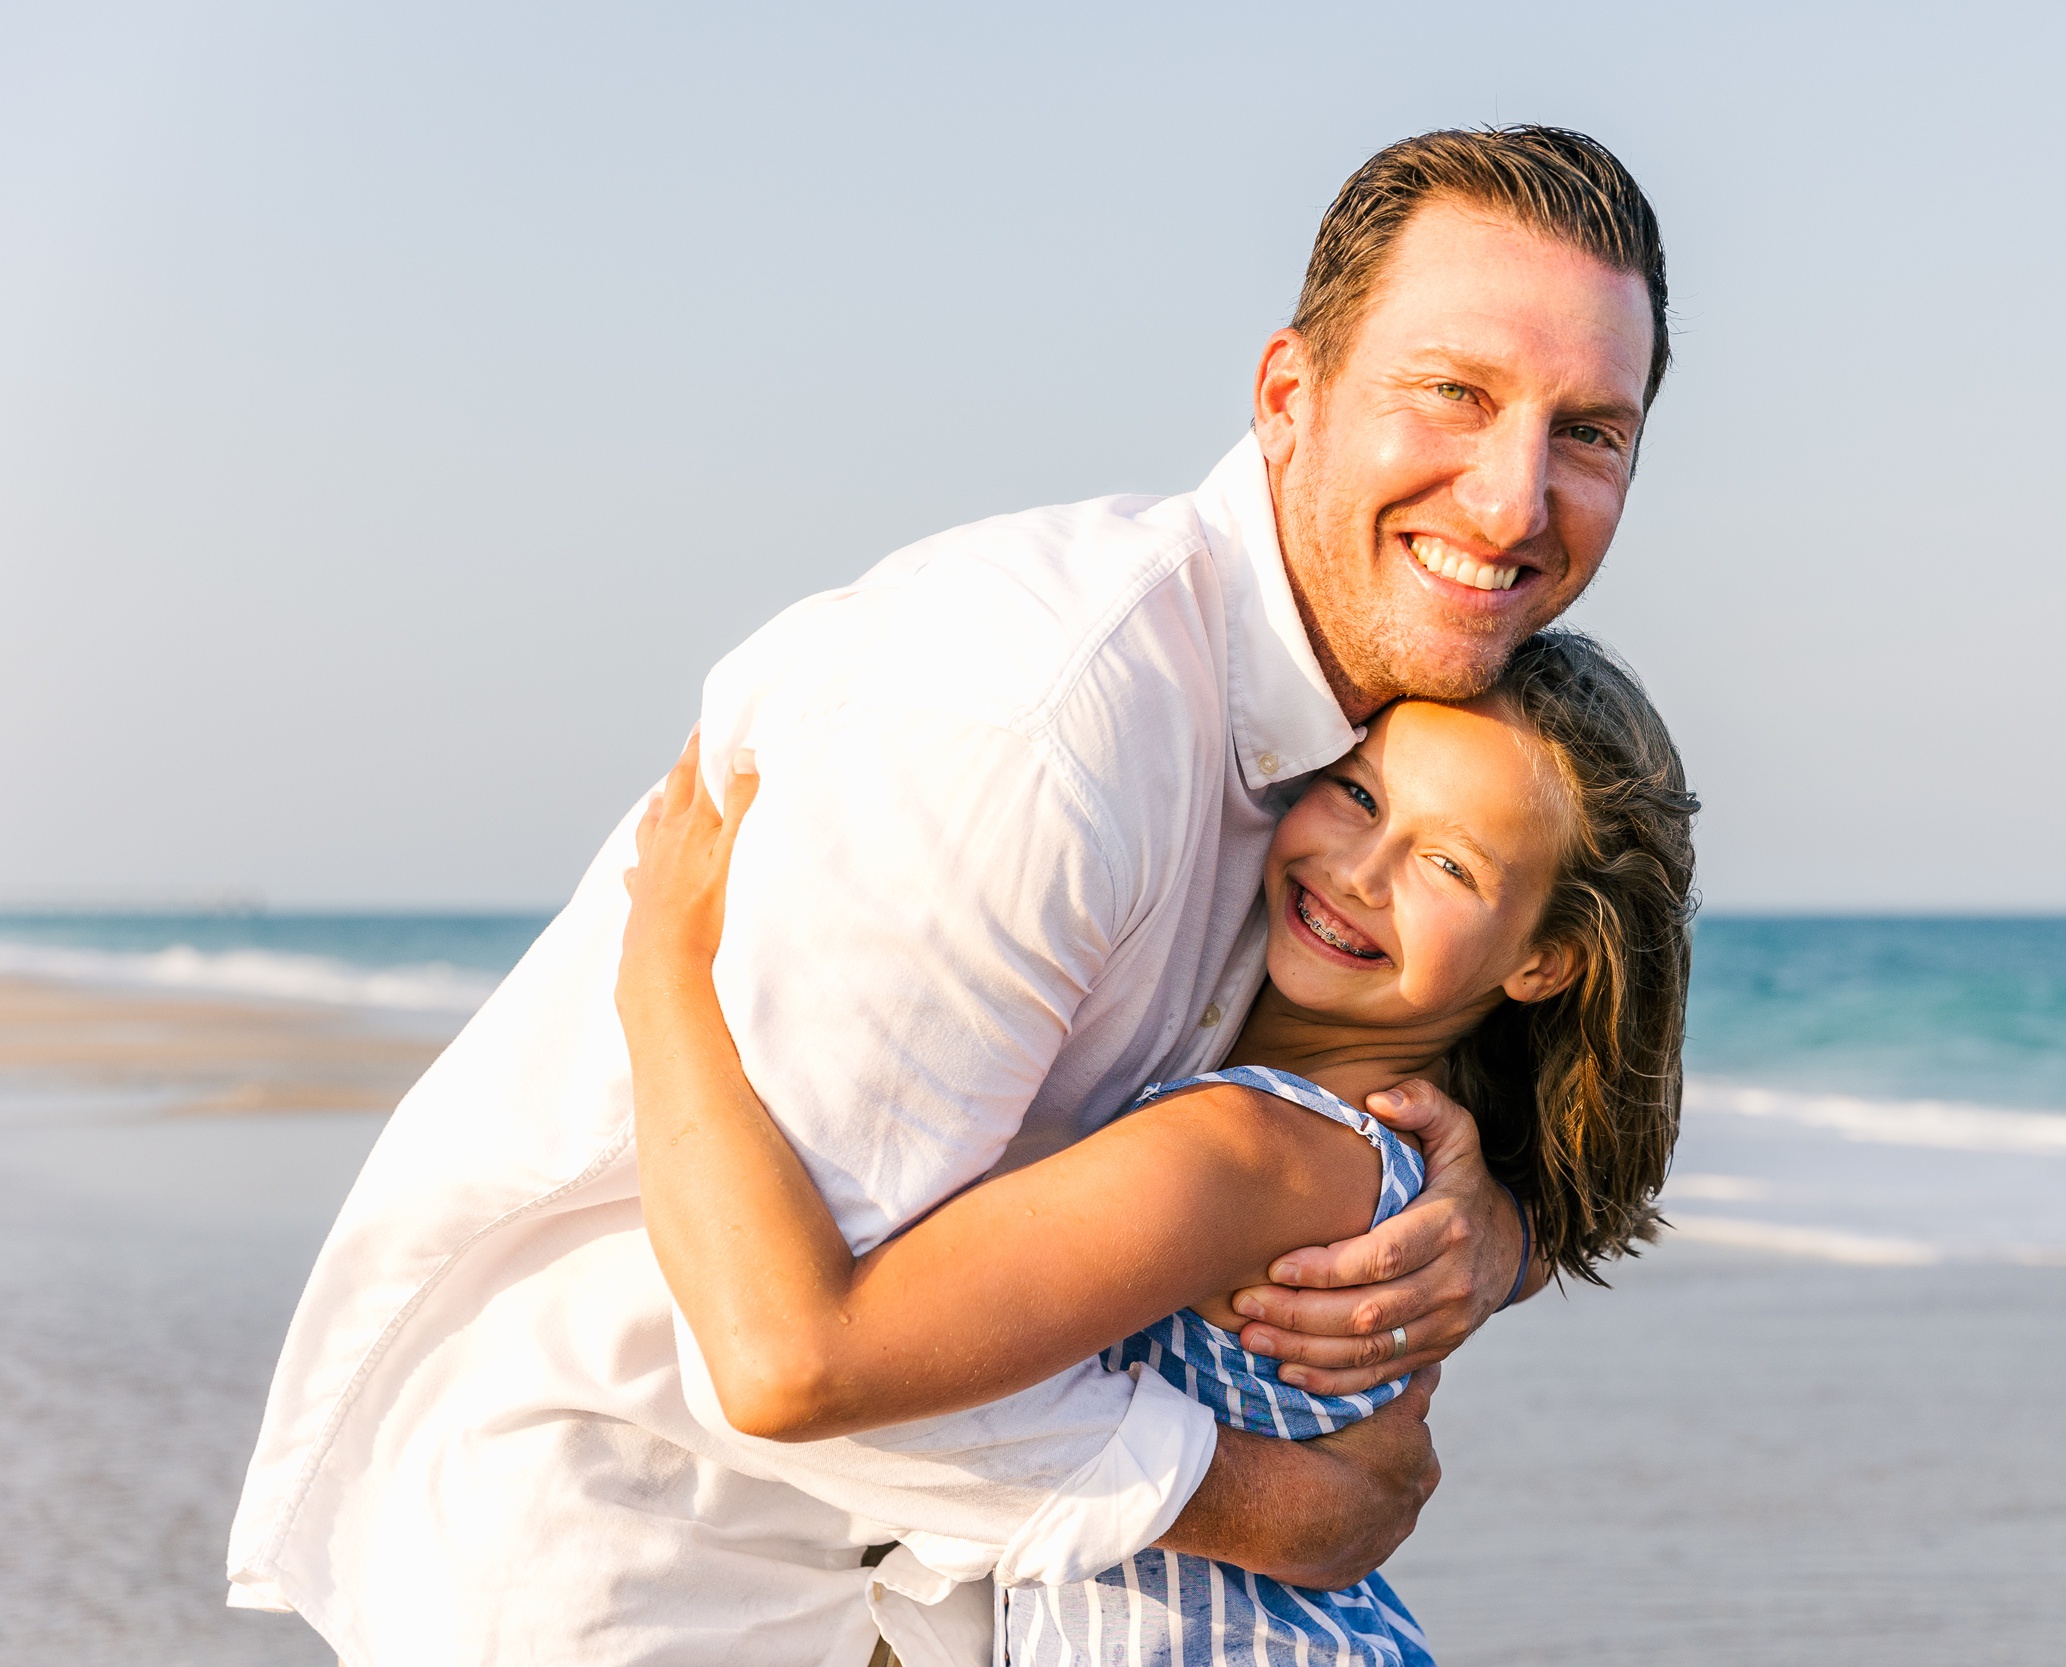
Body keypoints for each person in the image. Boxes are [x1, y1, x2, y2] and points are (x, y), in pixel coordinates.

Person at [228, 125, 1672, 1666]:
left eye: (1589, 430)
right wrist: (1283, 1508)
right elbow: (783, 1347)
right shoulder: (1038, 727)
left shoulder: (1375, 749)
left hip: (909, 1601)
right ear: (1287, 398)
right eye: (1453, 391)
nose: (1517, 497)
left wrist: (1485, 1231)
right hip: (643, 1562)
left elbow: (1515, 1049)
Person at [617, 627, 1698, 1665]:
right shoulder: (1376, 1161)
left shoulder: (1250, 1145)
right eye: (1360, 792)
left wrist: (661, 971)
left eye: (1450, 865)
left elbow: (787, 1360)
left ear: (1546, 961)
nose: (1362, 868)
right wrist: (1508, 1244)